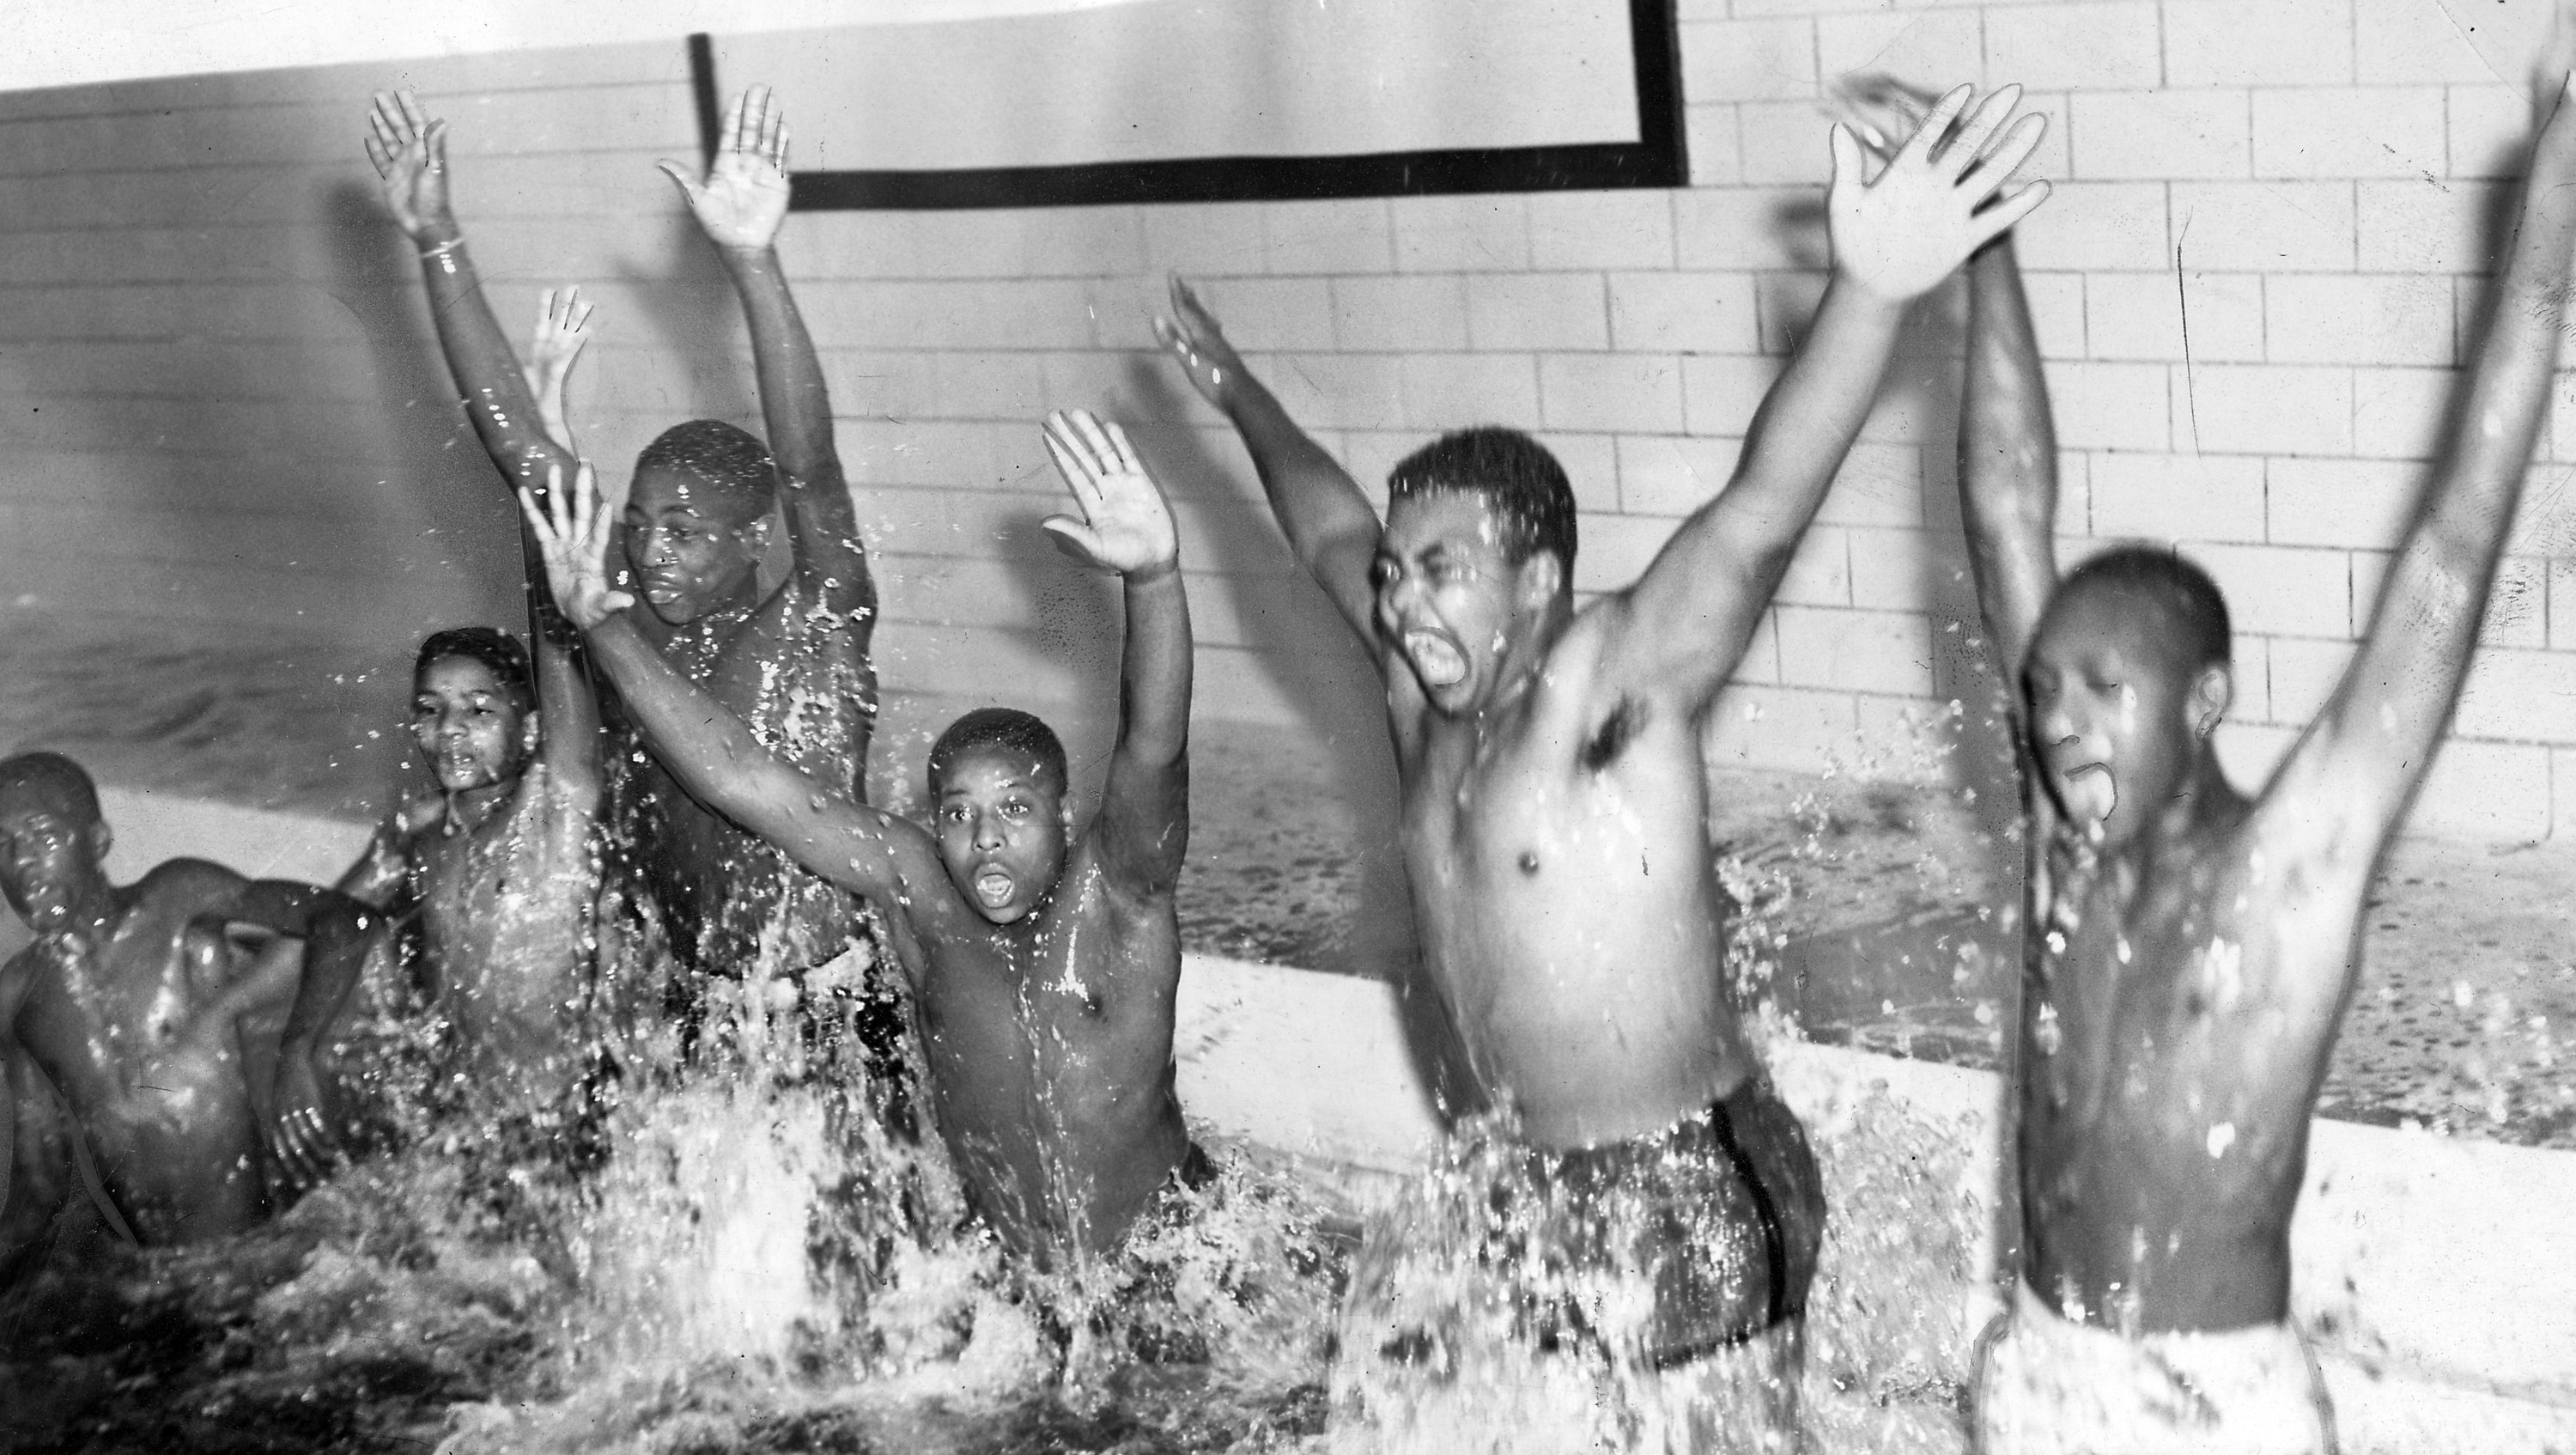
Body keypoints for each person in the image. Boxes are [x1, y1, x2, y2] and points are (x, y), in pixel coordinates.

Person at [1159, 85, 2050, 1450]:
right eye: (1399, 580)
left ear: (1538, 580)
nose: (1400, 605)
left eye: (1439, 574)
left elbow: (1757, 515)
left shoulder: (1606, 685)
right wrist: (1238, 393)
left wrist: (1868, 295)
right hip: (1535, 1179)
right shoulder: (1420, 687)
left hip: (1690, 1185)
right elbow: (1327, 519)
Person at [1921, 69, 2576, 1453]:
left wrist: (2556, 201)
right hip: (2043, 1369)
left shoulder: (2290, 868)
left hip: (2213, 1404)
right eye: (2045, 687)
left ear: (2207, 697)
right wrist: (1984, 243)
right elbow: (2004, 507)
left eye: (2106, 687)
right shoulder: (2068, 848)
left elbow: (2453, 554)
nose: (2058, 720)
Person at [517, 410, 1195, 1266]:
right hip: (1023, 1298)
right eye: (958, 812)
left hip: (1167, 1273)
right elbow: (743, 778)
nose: (986, 839)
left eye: (1015, 811)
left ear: (1063, 817)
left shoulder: (1119, 899)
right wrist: (603, 627)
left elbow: (1154, 742)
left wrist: (1156, 580)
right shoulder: (920, 895)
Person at [361, 87, 908, 1127]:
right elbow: (522, 450)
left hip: (829, 1009)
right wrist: (437, 238)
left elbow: (813, 467)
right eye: (644, 520)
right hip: (695, 1006)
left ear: (756, 539)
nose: (650, 548)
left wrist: (753, 261)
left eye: (685, 531)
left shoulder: (817, 626)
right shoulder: (626, 622)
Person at [264, 613, 605, 1188]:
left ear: (529, 728)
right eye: (429, 709)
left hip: (564, 1124)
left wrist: (557, 602)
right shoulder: (420, 835)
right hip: (467, 1120)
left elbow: (576, 750)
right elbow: (335, 921)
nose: (449, 728)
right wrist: (291, 1046)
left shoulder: (551, 819)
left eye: (478, 709)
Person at [0, 752, 377, 1244]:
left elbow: (346, 920)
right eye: (2, 844)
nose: (21, 862)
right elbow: (39, 1186)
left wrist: (298, 1051)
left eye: (45, 837)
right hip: (163, 1282)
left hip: (262, 1258)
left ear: (98, 842)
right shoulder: (16, 997)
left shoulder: (178, 900)